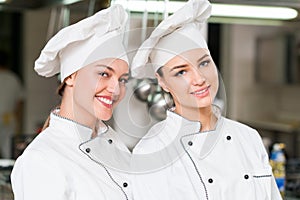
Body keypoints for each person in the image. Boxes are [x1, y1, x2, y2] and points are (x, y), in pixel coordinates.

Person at [130, 0, 282, 199]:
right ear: (163, 82)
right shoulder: (150, 154)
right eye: (181, 72)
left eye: (204, 63)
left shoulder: (248, 137)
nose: (200, 79)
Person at [11, 5, 133, 200]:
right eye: (104, 74)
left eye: (123, 79)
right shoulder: (42, 160)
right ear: (70, 77)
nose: (116, 89)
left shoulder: (113, 141)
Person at [0, 50, 24, 159]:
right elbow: (19, 103)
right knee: (8, 150)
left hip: (7, 117)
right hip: (8, 117)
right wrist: (19, 124)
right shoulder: (13, 79)